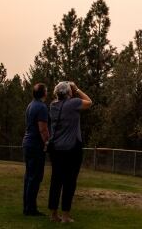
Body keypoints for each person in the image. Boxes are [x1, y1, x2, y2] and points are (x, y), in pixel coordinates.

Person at [48, 81, 93, 223]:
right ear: (69, 92)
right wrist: (77, 89)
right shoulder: (73, 104)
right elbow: (89, 102)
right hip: (72, 148)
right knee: (69, 182)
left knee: (56, 181)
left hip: (56, 149)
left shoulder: (53, 106)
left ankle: (53, 215)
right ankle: (66, 216)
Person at [22, 83, 50, 216]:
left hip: (27, 143)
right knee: (35, 177)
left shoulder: (30, 105)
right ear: (44, 93)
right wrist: (48, 142)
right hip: (35, 145)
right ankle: (31, 209)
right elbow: (43, 129)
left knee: (29, 177)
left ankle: (27, 206)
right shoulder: (42, 107)